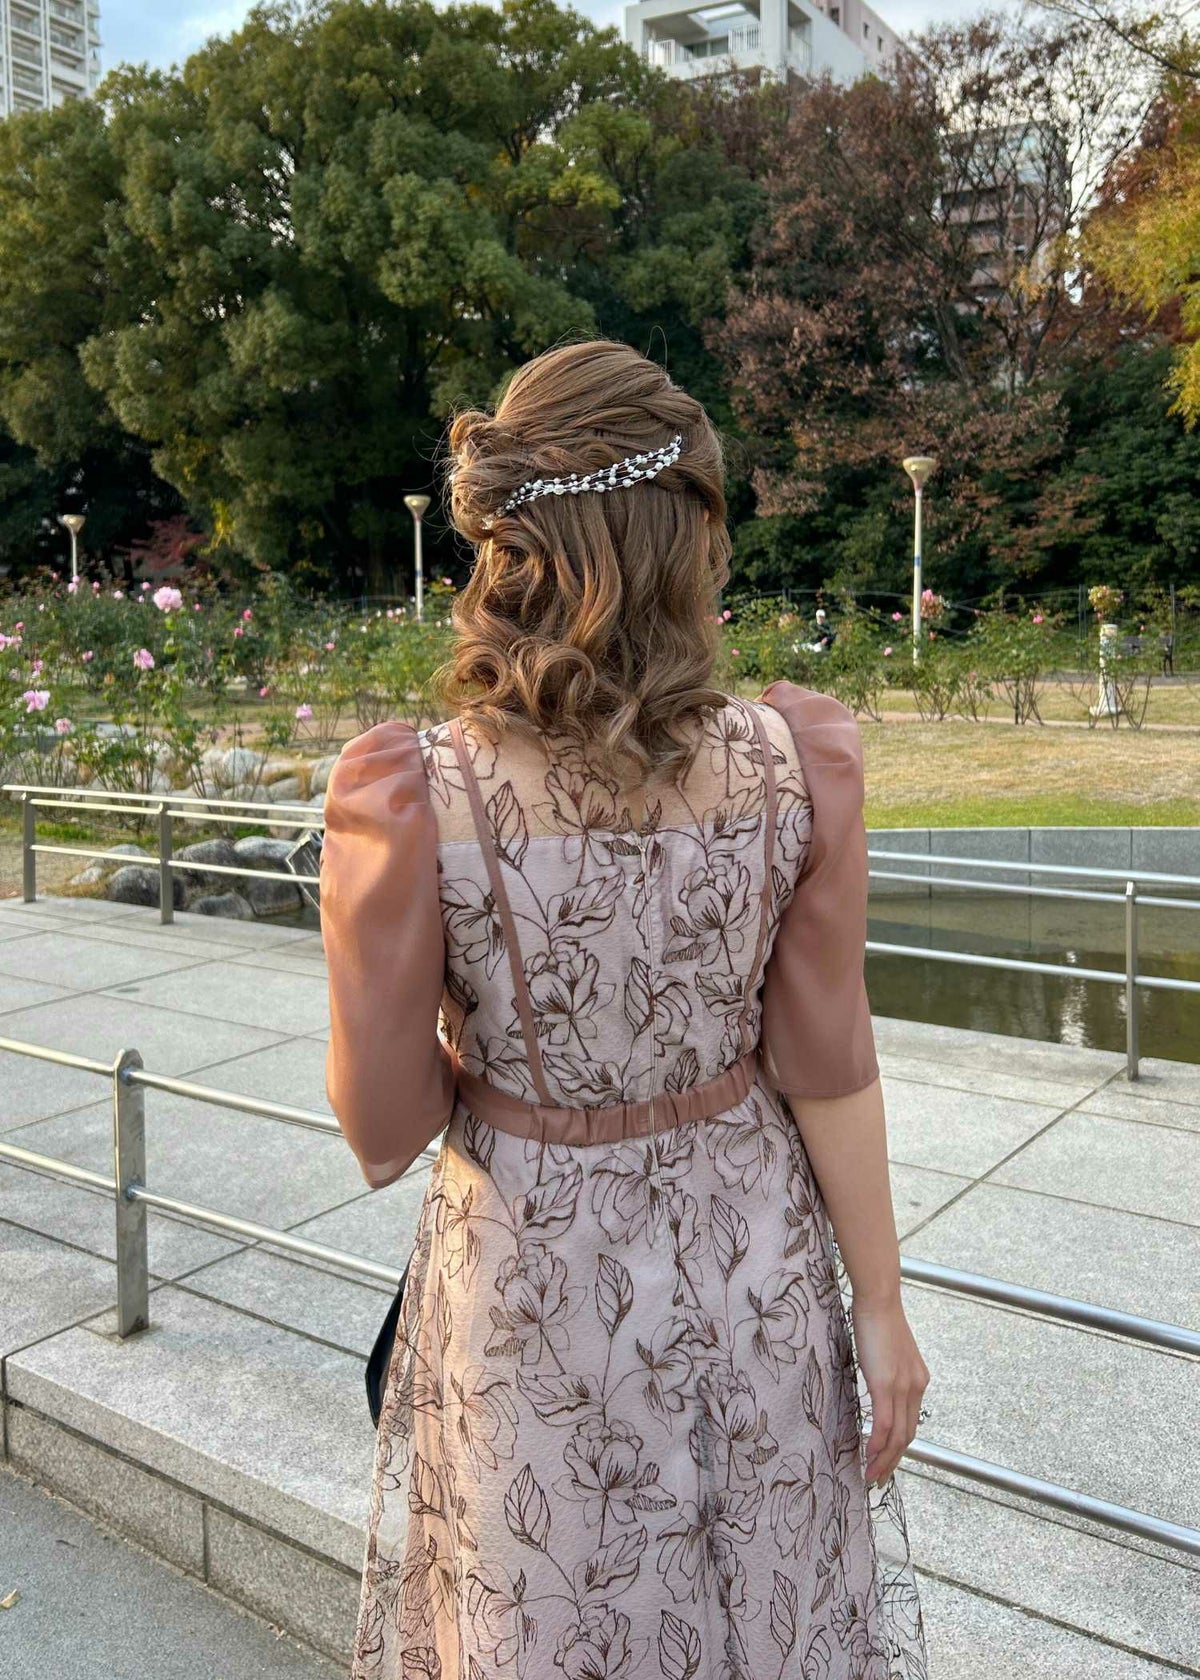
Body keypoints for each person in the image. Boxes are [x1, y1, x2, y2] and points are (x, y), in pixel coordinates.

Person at [320, 339, 930, 1680]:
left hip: (534, 1290)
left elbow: (380, 1128)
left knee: (547, 1620)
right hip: (757, 1269)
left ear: (511, 545)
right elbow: (828, 1062)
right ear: (685, 534)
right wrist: (881, 1305)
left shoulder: (414, 794)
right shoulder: (798, 762)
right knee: (765, 1617)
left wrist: (499, 1035)